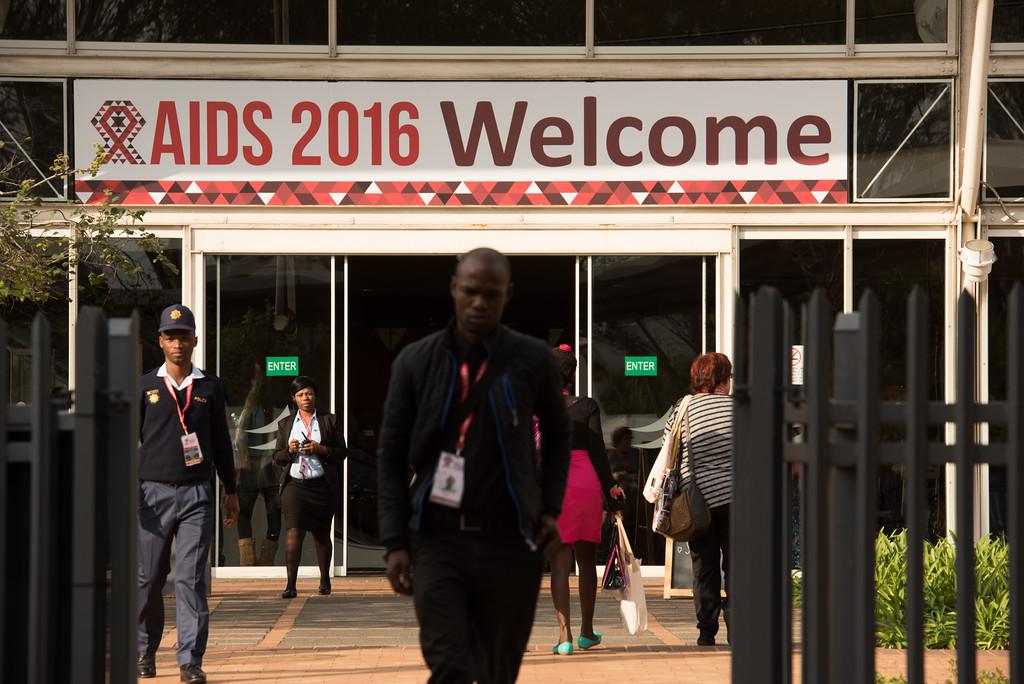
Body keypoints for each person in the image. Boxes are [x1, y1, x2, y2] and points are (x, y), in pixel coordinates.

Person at [377, 247, 571, 684]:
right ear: (453, 289)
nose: (479, 303)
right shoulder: (417, 361)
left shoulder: (530, 359)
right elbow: (390, 454)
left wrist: (550, 507)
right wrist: (394, 542)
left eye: (491, 294)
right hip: (437, 540)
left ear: (508, 295)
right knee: (449, 664)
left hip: (510, 543)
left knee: (497, 672)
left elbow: (560, 436)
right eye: (470, 292)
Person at [136, 304, 240, 684]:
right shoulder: (145, 385)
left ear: (195, 339)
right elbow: (131, 440)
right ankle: (144, 651)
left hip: (197, 493)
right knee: (148, 578)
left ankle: (190, 660)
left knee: (190, 579)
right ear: (160, 341)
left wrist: (230, 488)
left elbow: (221, 443)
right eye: (170, 336)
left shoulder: (210, 386)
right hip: (152, 494)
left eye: (183, 336)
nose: (177, 343)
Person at [547, 344, 624, 655]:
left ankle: (563, 636)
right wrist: (612, 490)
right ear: (572, 373)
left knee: (559, 563)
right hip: (585, 483)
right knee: (586, 561)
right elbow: (598, 453)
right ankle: (586, 632)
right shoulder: (588, 406)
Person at [662, 352, 734, 646]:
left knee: (703, 566)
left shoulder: (682, 408)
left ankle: (706, 631)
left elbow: (670, 451)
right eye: (728, 377)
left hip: (696, 500)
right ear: (720, 380)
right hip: (735, 497)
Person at [272, 375, 347, 598]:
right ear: (294, 398)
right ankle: (290, 585)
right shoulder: (285, 424)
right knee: (294, 532)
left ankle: (325, 581)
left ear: (315, 395)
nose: (306, 398)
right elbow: (276, 457)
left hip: (322, 485)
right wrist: (290, 451)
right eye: (301, 394)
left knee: (322, 535)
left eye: (309, 393)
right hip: (295, 485)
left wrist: (319, 449)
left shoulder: (328, 420)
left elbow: (341, 452)